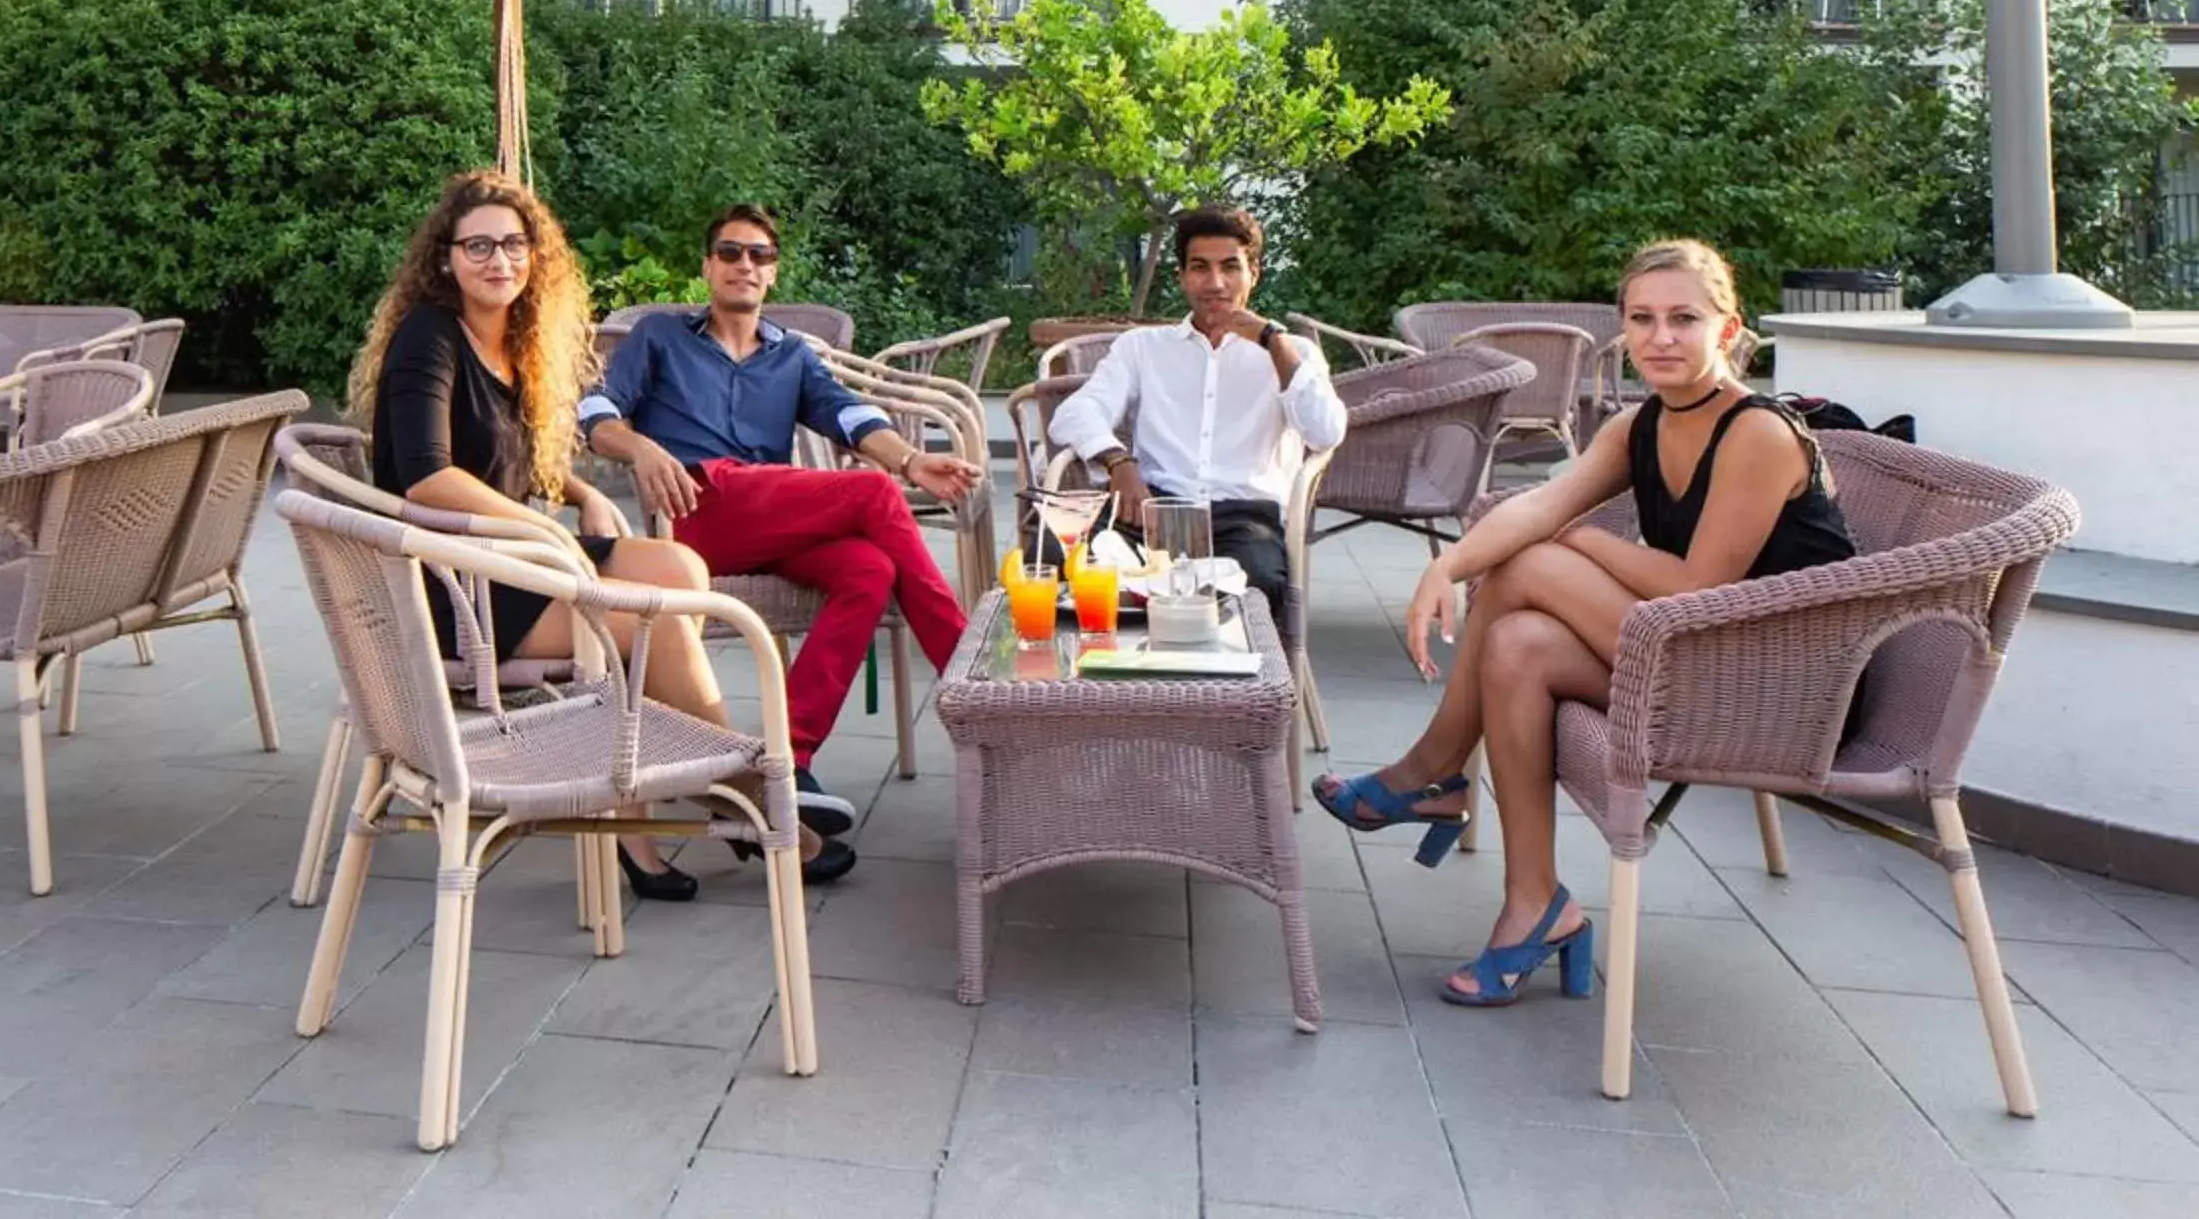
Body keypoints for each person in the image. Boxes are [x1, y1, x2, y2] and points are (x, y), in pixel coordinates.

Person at [1313, 238, 1855, 1008]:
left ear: (1728, 332)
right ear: (1622, 329)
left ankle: (1432, 770)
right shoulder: (1641, 426)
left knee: (1535, 564)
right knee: (1515, 645)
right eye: (1642, 318)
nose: (1660, 337)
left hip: (1777, 683)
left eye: (1684, 319)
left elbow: (1700, 584)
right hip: (1697, 651)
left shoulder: (1757, 433)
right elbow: (1539, 505)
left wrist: (1592, 541)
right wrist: (1445, 567)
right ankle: (1536, 904)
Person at [353, 170, 799, 904]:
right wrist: (544, 531)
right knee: (652, 623)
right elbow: (428, 478)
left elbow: (519, 467)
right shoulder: (428, 337)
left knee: (680, 567)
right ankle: (735, 788)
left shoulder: (517, 343)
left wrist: (583, 495)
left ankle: (673, 794)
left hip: (516, 554)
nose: (499, 261)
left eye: (513, 244)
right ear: (445, 259)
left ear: (535, 255)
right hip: (457, 582)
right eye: (478, 247)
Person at [579, 203, 984, 883]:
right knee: (876, 494)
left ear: (773, 272)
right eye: (731, 253)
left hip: (769, 515)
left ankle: (786, 758)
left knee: (870, 567)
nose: (745, 265)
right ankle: (971, 680)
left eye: (759, 256)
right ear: (708, 266)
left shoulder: (792, 355)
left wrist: (909, 457)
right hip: (698, 511)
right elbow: (596, 413)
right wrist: (642, 448)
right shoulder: (659, 337)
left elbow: (852, 416)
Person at [1046, 203, 1348, 614]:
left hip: (1243, 520)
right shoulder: (1144, 348)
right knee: (1052, 555)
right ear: (1182, 277)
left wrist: (1274, 341)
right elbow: (1074, 414)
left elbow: (1325, 431)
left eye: (1230, 267)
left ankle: (1228, 679)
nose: (1216, 283)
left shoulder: (1293, 353)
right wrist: (1119, 462)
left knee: (1254, 590)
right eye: (1200, 267)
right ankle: (1079, 674)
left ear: (1253, 274)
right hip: (1150, 510)